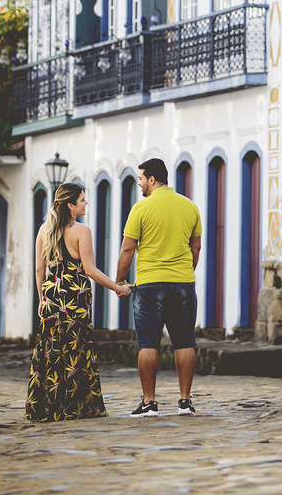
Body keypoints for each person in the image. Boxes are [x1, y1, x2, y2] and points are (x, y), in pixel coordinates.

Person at [26, 183, 132, 422]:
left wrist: (42, 299)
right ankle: (78, 407)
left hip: (52, 296)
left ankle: (47, 407)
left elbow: (38, 268)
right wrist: (119, 287)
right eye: (82, 200)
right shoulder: (82, 231)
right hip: (75, 298)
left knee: (51, 351)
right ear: (71, 205)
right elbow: (91, 270)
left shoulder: (44, 230)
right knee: (77, 351)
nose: (86, 203)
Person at [116, 158, 202, 417]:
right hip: (184, 283)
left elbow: (128, 249)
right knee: (185, 341)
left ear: (152, 179)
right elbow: (195, 247)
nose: (139, 184)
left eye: (141, 179)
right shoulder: (190, 207)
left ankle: (149, 403)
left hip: (150, 286)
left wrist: (119, 281)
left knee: (148, 344)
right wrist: (186, 272)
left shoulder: (140, 209)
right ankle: (185, 401)